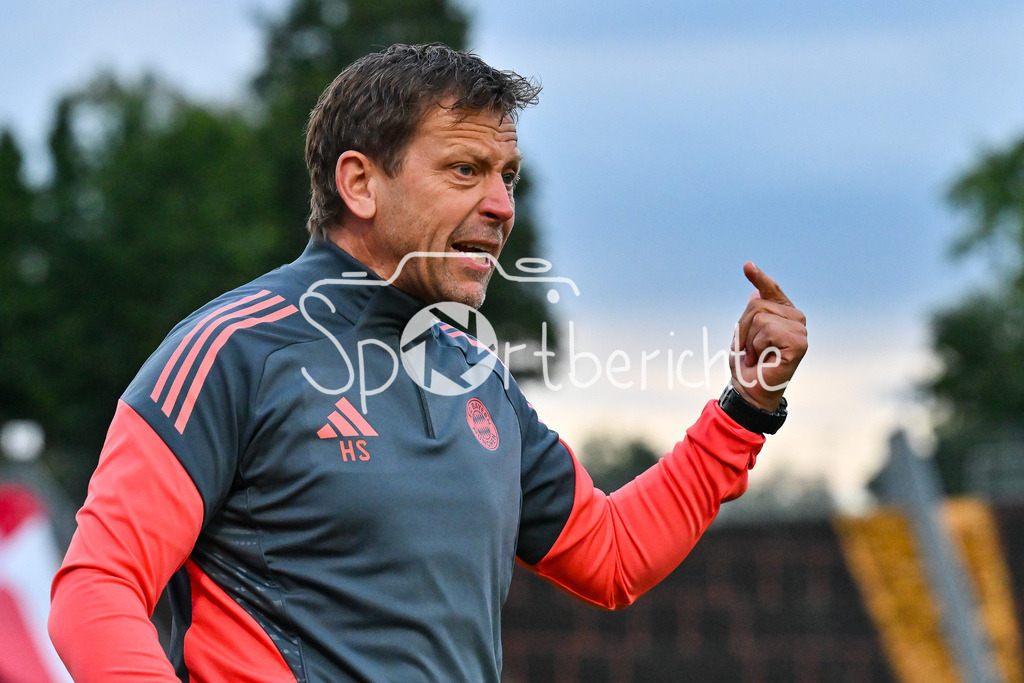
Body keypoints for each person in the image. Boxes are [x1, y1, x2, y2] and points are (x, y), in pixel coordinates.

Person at [48, 43, 807, 681]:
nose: (503, 203)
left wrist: (745, 407)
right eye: (465, 170)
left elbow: (612, 554)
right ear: (359, 184)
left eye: (507, 174)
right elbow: (96, 587)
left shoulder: (479, 378)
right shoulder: (236, 351)